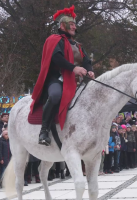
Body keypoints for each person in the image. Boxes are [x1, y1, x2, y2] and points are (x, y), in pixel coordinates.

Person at [30, 5, 94, 146]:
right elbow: (56, 58)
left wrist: (89, 70)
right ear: (63, 26)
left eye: (74, 25)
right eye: (71, 25)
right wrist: (73, 68)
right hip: (57, 79)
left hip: (78, 82)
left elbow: (87, 61)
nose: (74, 27)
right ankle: (44, 130)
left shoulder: (78, 45)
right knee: (55, 96)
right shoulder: (54, 39)